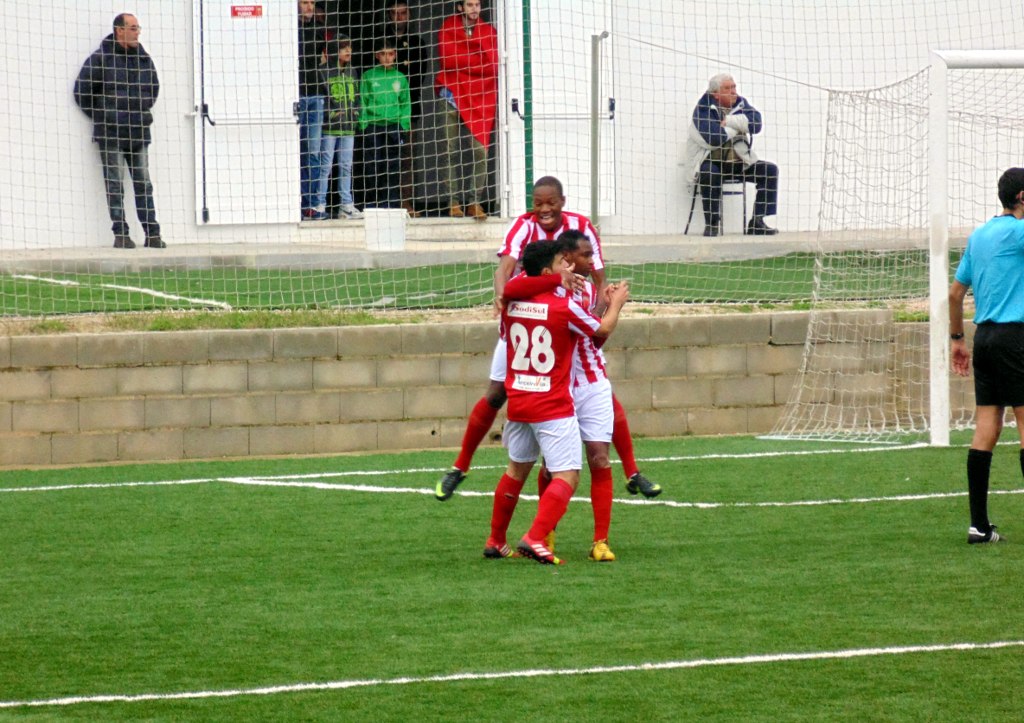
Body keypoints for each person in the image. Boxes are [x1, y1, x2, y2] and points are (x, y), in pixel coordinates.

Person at [435, 176, 662, 502]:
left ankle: (632, 472)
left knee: (596, 386)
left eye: (550, 203)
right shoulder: (523, 227)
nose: (543, 209)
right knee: (497, 393)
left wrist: (595, 314)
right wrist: (500, 295)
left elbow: (599, 277)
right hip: (526, 325)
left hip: (564, 323)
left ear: (562, 202)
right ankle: (459, 467)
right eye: (538, 203)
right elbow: (504, 270)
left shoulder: (581, 227)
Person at [485, 240, 631, 564]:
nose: (567, 267)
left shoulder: (511, 301)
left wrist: (555, 279)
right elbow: (602, 329)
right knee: (567, 476)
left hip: (519, 401)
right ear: (547, 271)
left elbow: (517, 287)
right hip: (551, 404)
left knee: (515, 470)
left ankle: (496, 540)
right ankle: (535, 537)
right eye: (560, 264)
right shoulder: (562, 307)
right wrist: (616, 304)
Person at [947, 167, 1024, 545]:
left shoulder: (978, 237)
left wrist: (957, 340)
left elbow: (954, 294)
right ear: (1022, 197)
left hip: (985, 339)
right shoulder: (1019, 233)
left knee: (986, 429)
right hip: (1016, 339)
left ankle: (978, 526)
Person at [74, 13, 164, 249]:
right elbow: (81, 91)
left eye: (138, 28)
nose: (137, 32)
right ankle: (121, 234)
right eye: (133, 28)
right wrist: (105, 116)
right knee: (115, 184)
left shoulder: (143, 59)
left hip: (138, 132)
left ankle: (153, 234)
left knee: (143, 183)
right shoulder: (101, 58)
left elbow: (153, 89)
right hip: (111, 133)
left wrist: (140, 109)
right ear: (119, 30)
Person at [682, 73, 779, 237]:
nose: (734, 91)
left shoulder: (740, 103)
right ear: (716, 94)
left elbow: (756, 123)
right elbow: (714, 138)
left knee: (770, 171)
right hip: (712, 162)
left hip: (738, 162)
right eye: (728, 88)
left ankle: (757, 222)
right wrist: (740, 125)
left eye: (734, 87)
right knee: (709, 173)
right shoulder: (703, 109)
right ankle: (712, 223)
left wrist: (729, 122)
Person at [435, 0, 498, 220]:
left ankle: (474, 202)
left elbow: (492, 65)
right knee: (449, 151)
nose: (474, 9)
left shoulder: (488, 32)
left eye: (477, 5)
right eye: (469, 5)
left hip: (479, 98)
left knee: (480, 151)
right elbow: (448, 60)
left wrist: (465, 59)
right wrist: (475, 58)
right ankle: (453, 202)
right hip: (451, 96)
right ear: (460, 7)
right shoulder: (448, 27)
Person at [378, 0, 427, 217]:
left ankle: (406, 202)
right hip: (380, 111)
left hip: (408, 109)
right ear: (388, 15)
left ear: (409, 15)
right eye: (395, 13)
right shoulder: (379, 40)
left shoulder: (417, 42)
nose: (399, 17)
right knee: (383, 157)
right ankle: (383, 204)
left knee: (407, 158)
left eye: (403, 13)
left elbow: (419, 76)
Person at [359, 38, 411, 209]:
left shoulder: (400, 77)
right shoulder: (368, 76)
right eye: (383, 54)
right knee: (373, 165)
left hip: (394, 125)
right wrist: (364, 124)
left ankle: (391, 203)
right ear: (377, 56)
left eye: (390, 54)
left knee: (393, 165)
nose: (387, 57)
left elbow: (405, 103)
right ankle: (372, 203)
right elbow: (362, 101)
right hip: (373, 125)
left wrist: (404, 125)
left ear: (395, 55)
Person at [316, 38, 362, 220]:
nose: (348, 51)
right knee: (325, 166)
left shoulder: (353, 71)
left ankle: (346, 204)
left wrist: (356, 113)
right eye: (343, 48)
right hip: (329, 128)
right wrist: (332, 114)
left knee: (346, 166)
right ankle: (319, 204)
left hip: (348, 127)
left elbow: (357, 96)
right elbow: (321, 98)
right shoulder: (323, 71)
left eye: (349, 47)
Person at [299, 0, 328, 219]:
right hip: (296, 95)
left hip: (316, 95)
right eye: (305, 2)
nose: (309, 7)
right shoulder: (289, 30)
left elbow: (323, 61)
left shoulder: (318, 31)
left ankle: (313, 204)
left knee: (313, 151)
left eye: (311, 2)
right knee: (296, 150)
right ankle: (298, 202)